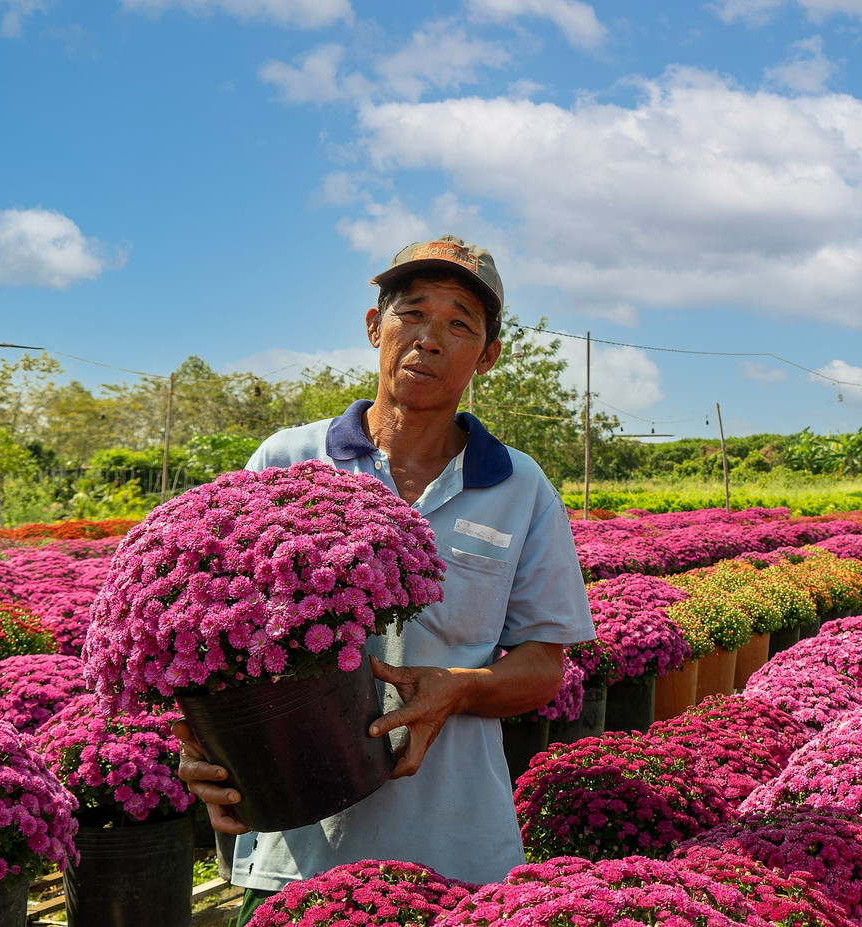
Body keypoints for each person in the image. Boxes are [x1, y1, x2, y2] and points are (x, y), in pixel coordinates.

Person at [175, 234, 595, 924]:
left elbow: (543, 667)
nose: (430, 338)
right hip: (295, 852)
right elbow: (202, 634)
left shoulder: (520, 487)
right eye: (412, 312)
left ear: (487, 356)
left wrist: (456, 690)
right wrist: (201, 744)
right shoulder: (286, 460)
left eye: (460, 323)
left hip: (458, 850)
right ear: (375, 326)